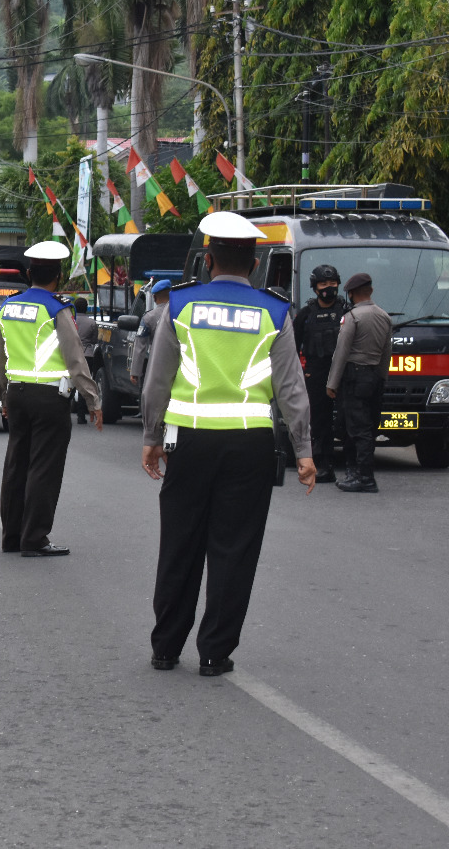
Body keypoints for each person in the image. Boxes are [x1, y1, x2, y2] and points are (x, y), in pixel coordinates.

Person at [141, 212, 316, 677]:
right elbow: (291, 391)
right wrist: (304, 452)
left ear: (210, 258)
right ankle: (215, 653)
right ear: (255, 261)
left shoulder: (179, 306)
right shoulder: (274, 311)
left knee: (180, 543)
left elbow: (157, 382)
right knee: (234, 548)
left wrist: (151, 438)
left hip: (189, 440)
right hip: (250, 445)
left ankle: (165, 648)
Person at [0, 243, 102, 554]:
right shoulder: (57, 309)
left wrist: (3, 395)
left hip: (16, 393)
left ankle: (11, 537)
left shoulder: (8, 307)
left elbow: (2, 358)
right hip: (48, 398)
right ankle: (34, 538)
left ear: (29, 275)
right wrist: (93, 400)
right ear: (57, 277)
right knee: (44, 467)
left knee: (16, 465)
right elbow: (75, 359)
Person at [327, 272, 393, 493]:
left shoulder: (353, 317)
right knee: (369, 426)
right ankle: (358, 473)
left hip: (354, 375)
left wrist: (332, 383)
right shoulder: (384, 316)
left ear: (352, 294)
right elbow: (387, 353)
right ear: (371, 291)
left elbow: (342, 352)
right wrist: (381, 379)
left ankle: (363, 476)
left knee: (356, 428)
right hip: (374, 376)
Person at [293, 265, 349, 483]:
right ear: (315, 288)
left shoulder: (346, 312)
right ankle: (323, 465)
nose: (329, 288)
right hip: (315, 374)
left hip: (343, 374)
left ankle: (352, 466)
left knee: (346, 420)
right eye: (323, 284)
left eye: (333, 283)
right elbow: (294, 347)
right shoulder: (306, 315)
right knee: (319, 422)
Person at [130, 279, 173, 386]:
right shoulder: (183, 312)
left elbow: (140, 346)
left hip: (155, 368)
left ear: (154, 297)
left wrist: (135, 372)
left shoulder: (149, 318)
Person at [73, 296, 99, 424]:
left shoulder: (70, 321)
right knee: (84, 385)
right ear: (86, 308)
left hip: (71, 354)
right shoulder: (91, 323)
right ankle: (81, 416)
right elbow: (94, 340)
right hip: (87, 355)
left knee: (70, 385)